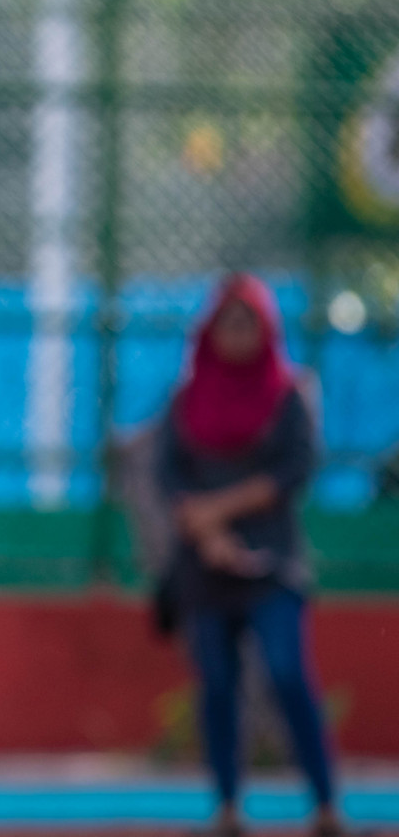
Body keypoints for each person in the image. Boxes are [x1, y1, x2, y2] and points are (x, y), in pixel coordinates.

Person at [154, 274, 348, 837]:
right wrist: (208, 534)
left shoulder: (289, 394)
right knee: (216, 683)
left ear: (267, 330)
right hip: (205, 566)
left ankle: (326, 806)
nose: (237, 334)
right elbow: (170, 478)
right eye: (227, 324)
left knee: (288, 673)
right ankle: (228, 809)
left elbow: (293, 471)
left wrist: (221, 511)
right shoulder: (186, 401)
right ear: (208, 332)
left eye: (248, 323)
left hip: (272, 563)